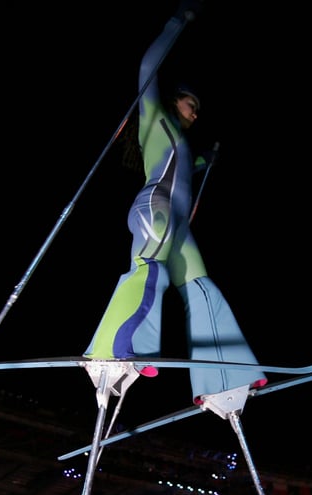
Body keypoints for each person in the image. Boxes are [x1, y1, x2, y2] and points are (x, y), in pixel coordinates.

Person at [84, 0, 267, 406]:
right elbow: (147, 69)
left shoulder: (183, 141)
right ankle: (117, 348)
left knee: (202, 288)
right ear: (175, 99)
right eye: (191, 104)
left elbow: (189, 167)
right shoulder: (154, 117)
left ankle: (224, 377)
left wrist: (206, 162)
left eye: (197, 110)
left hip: (181, 225)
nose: (195, 114)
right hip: (158, 208)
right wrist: (175, 23)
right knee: (150, 271)